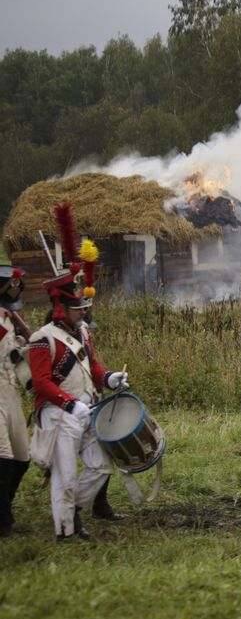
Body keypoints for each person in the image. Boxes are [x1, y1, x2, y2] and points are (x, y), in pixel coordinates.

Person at [26, 209, 129, 541]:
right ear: (61, 308)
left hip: (86, 409)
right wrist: (69, 405)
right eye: (77, 309)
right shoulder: (42, 338)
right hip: (58, 414)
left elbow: (92, 367)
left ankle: (74, 512)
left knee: (100, 466)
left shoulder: (82, 332)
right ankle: (65, 530)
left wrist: (109, 377)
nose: (82, 313)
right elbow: (41, 383)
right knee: (65, 477)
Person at [0, 265, 32, 537]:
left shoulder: (8, 320)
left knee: (22, 458)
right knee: (4, 456)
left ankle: (4, 506)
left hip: (12, 392)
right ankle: (3, 521)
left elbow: (27, 347)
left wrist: (18, 321)